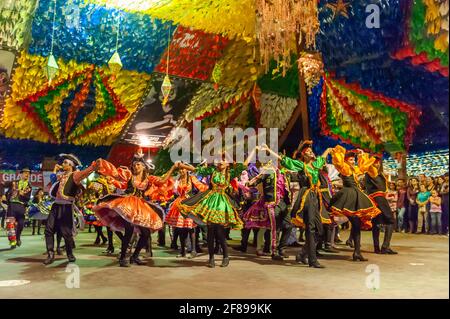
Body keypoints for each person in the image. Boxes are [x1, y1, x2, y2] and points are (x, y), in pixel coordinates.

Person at [94, 150, 176, 267]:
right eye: (134, 164)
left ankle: (135, 256)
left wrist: (173, 168)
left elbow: (162, 181)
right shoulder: (129, 175)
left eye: (138, 164)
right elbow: (115, 173)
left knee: (146, 233)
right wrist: (102, 164)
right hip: (128, 204)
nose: (135, 166)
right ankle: (123, 257)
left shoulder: (149, 179)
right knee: (129, 231)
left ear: (143, 166)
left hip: (141, 206)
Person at [264, 142, 333, 268]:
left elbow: (322, 158)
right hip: (307, 197)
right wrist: (270, 149)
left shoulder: (316, 164)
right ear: (303, 155)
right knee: (311, 228)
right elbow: (285, 160)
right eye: (307, 151)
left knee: (320, 230)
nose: (310, 152)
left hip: (316, 197)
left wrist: (328, 149)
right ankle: (312, 260)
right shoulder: (301, 165)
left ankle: (302, 254)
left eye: (311, 151)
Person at [178, 157, 245, 268]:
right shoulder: (212, 171)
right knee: (210, 231)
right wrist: (182, 166)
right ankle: (211, 258)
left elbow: (243, 166)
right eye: (219, 159)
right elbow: (196, 170)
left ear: (227, 164)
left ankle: (225, 257)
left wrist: (254, 150)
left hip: (222, 204)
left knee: (219, 231)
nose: (220, 161)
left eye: (223, 160)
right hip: (210, 201)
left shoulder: (230, 173)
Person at [329, 146, 381, 262]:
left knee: (356, 225)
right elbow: (338, 162)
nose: (353, 161)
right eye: (351, 160)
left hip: (356, 195)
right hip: (348, 196)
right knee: (348, 223)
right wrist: (337, 152)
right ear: (346, 160)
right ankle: (355, 251)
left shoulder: (354, 169)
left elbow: (364, 168)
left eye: (354, 159)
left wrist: (363, 155)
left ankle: (357, 252)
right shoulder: (344, 168)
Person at [44, 154, 98, 265]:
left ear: (71, 165)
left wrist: (93, 167)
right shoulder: (61, 176)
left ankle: (69, 253)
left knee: (66, 233)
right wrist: (55, 169)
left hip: (66, 207)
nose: (62, 164)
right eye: (63, 162)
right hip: (56, 206)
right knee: (48, 230)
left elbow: (84, 173)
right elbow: (52, 178)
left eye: (65, 163)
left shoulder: (75, 176)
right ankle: (50, 253)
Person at [165, 167, 208, 258]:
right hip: (179, 204)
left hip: (189, 204)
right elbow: (174, 191)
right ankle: (182, 251)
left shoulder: (192, 178)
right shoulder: (178, 179)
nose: (181, 171)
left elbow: (202, 188)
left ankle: (193, 250)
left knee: (190, 228)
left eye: (183, 169)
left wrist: (198, 198)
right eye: (180, 170)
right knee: (180, 228)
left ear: (186, 170)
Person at [361, 154, 397, 254]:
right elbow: (366, 166)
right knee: (390, 221)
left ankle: (377, 248)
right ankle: (385, 246)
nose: (377, 164)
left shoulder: (374, 172)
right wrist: (369, 158)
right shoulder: (372, 170)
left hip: (375, 199)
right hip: (379, 198)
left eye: (378, 162)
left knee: (376, 223)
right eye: (375, 162)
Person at [4, 168, 32, 248]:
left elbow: (28, 198)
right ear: (21, 174)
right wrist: (2, 194)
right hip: (12, 205)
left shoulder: (29, 186)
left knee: (21, 224)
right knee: (10, 224)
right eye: (25, 173)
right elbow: (3, 184)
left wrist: (22, 195)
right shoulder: (14, 182)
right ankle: (12, 241)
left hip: (21, 206)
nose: (27, 174)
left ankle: (18, 237)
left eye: (28, 173)